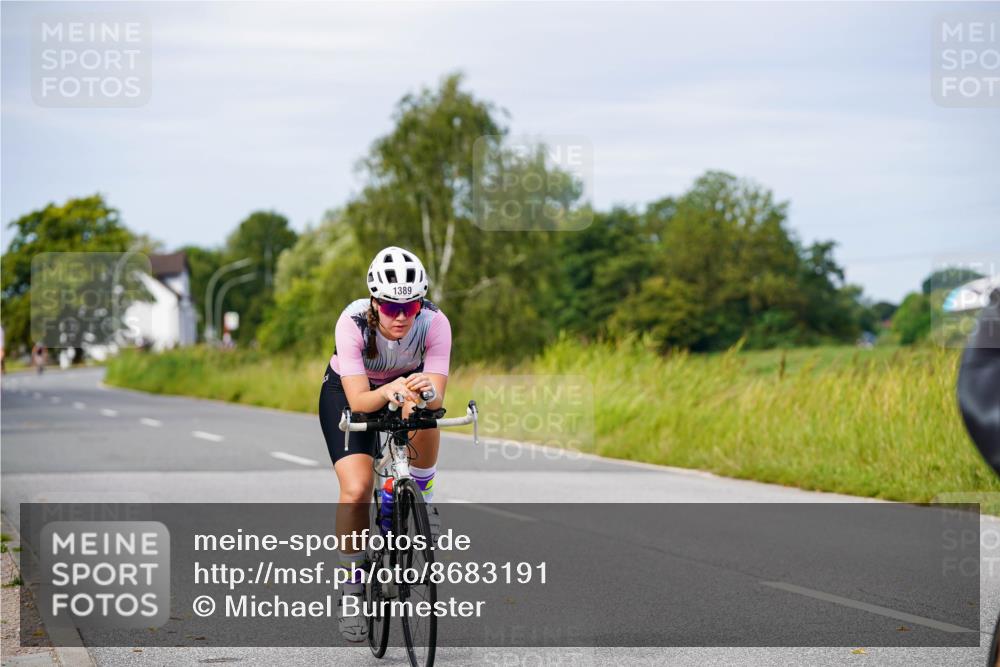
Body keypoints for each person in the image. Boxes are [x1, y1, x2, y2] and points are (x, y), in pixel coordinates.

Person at [317, 246, 451, 642]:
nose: (400, 316)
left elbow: (438, 396)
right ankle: (352, 591)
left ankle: (421, 495)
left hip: (403, 387)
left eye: (410, 306)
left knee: (423, 410)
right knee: (356, 489)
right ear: (374, 301)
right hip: (348, 392)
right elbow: (359, 402)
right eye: (390, 307)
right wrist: (389, 388)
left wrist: (425, 393)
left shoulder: (435, 321)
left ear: (421, 302)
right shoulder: (353, 321)